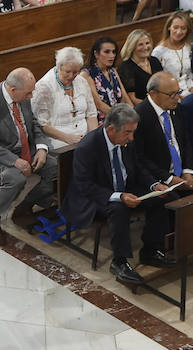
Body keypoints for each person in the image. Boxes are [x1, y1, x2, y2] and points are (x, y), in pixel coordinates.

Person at [63, 103, 175, 285]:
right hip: (95, 196)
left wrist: (154, 185)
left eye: (133, 132)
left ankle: (151, 250)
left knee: (160, 198)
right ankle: (119, 262)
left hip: (124, 188)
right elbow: (84, 185)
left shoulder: (126, 140)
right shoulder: (88, 146)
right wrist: (119, 196)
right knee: (118, 208)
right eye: (128, 133)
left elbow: (138, 166)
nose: (131, 138)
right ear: (111, 129)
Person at [0, 68, 59, 243]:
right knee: (15, 178)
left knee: (57, 169)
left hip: (25, 146)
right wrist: (14, 161)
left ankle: (25, 206)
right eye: (28, 93)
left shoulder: (22, 95)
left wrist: (41, 148)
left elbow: (33, 123)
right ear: (13, 90)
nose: (31, 96)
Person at [132, 72, 193, 199]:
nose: (177, 98)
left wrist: (188, 171)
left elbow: (185, 141)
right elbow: (139, 158)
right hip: (159, 178)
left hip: (182, 174)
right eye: (171, 94)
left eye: (178, 92)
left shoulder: (176, 108)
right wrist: (168, 178)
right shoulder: (139, 116)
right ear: (153, 93)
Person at [31, 46, 99, 149]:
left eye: (75, 72)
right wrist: (67, 138)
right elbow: (41, 124)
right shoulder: (44, 87)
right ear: (59, 67)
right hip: (59, 142)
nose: (71, 76)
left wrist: (93, 137)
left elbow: (91, 113)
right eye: (67, 72)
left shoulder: (81, 81)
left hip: (85, 138)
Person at [117, 28, 163, 106]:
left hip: (161, 103)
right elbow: (132, 98)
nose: (145, 47)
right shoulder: (126, 67)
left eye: (147, 43)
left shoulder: (154, 61)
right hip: (142, 107)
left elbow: (163, 84)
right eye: (140, 44)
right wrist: (155, 106)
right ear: (132, 47)